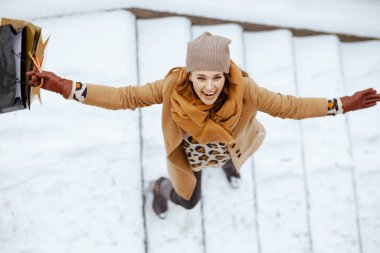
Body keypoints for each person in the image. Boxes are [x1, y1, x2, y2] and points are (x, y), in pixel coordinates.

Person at [26, 32, 380, 219]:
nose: (209, 86)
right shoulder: (171, 88)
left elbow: (291, 106)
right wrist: (64, 86)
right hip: (189, 159)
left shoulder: (247, 91)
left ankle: (226, 164)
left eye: (216, 77)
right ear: (188, 74)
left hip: (230, 144)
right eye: (200, 77)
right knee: (190, 201)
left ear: (226, 74)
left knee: (230, 159)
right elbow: (124, 97)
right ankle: (161, 188)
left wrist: (342, 105)